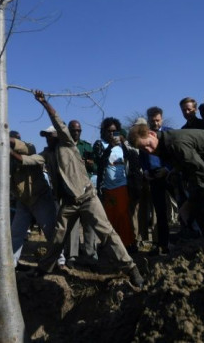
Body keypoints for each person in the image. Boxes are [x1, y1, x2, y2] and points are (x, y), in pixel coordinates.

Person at [31, 90, 145, 287]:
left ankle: (131, 268)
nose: (47, 138)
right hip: (68, 203)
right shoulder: (48, 154)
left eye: (50, 135)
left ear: (58, 134)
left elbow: (57, 119)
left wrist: (44, 103)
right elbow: (29, 159)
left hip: (87, 197)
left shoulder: (67, 144)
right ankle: (44, 268)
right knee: (58, 237)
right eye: (45, 136)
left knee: (106, 232)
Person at [9, 129, 65, 270]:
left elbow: (24, 150)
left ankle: (60, 261)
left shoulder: (30, 148)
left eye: (14, 140)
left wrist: (6, 140)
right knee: (16, 233)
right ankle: (11, 263)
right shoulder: (7, 159)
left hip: (40, 198)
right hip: (23, 200)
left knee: (50, 231)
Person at [93, 117, 138, 251]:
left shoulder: (122, 146)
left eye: (115, 131)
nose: (112, 134)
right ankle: (111, 245)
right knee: (109, 217)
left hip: (122, 186)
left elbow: (133, 158)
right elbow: (99, 162)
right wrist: (110, 147)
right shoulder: (100, 144)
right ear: (104, 132)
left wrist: (123, 144)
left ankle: (127, 244)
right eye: (109, 131)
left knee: (123, 215)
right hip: (106, 187)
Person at [143, 106, 174, 255]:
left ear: (161, 118)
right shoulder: (144, 135)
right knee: (160, 212)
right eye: (152, 120)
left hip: (170, 175)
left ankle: (188, 239)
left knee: (181, 206)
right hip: (154, 177)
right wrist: (146, 171)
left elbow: (176, 153)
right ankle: (163, 244)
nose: (155, 123)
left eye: (157, 120)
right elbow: (142, 156)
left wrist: (167, 169)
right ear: (148, 119)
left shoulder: (169, 133)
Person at [68, 120, 97, 264]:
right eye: (73, 130)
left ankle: (90, 252)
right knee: (72, 223)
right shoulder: (64, 146)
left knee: (89, 221)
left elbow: (96, 168)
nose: (76, 132)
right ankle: (73, 255)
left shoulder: (87, 147)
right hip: (70, 189)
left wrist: (91, 164)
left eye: (78, 130)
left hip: (86, 188)